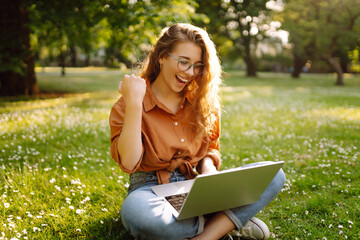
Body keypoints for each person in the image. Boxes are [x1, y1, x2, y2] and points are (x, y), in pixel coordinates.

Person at [109, 23, 286, 240]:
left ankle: (205, 235)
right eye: (184, 62)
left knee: (274, 174)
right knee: (140, 216)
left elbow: (209, 149)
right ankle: (226, 224)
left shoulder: (202, 101)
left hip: (195, 186)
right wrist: (135, 103)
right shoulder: (129, 102)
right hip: (149, 191)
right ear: (162, 56)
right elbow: (128, 162)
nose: (190, 73)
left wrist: (209, 170)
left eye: (197, 66)